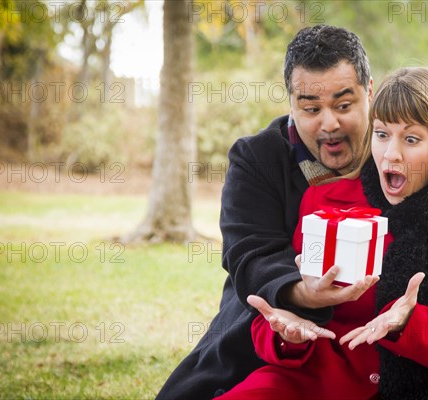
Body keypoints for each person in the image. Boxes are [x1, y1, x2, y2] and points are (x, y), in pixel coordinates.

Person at [217, 66, 428, 400]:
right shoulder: (326, 201)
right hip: (307, 386)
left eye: (411, 139)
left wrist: (410, 323)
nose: (391, 153)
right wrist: (288, 335)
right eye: (381, 134)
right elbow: (270, 323)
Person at [156, 25, 376, 400]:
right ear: (291, 103)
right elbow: (249, 255)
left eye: (343, 105)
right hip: (269, 334)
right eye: (311, 108)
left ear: (369, 92)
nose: (329, 123)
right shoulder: (256, 158)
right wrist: (302, 293)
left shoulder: (394, 153)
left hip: (371, 348)